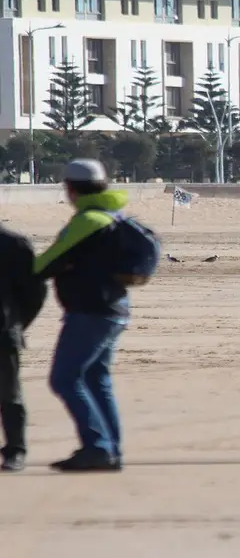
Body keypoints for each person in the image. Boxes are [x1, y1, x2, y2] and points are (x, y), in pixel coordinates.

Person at [33, 159, 136, 472]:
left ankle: (98, 447)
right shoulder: (113, 215)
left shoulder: (88, 220)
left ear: (71, 188)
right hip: (113, 309)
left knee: (64, 378)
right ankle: (110, 450)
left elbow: (44, 265)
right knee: (96, 378)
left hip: (90, 312)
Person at [0, 226, 48, 472]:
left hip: (4, 331)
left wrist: (16, 324)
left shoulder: (13, 245)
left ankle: (15, 450)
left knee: (9, 395)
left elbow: (35, 292)